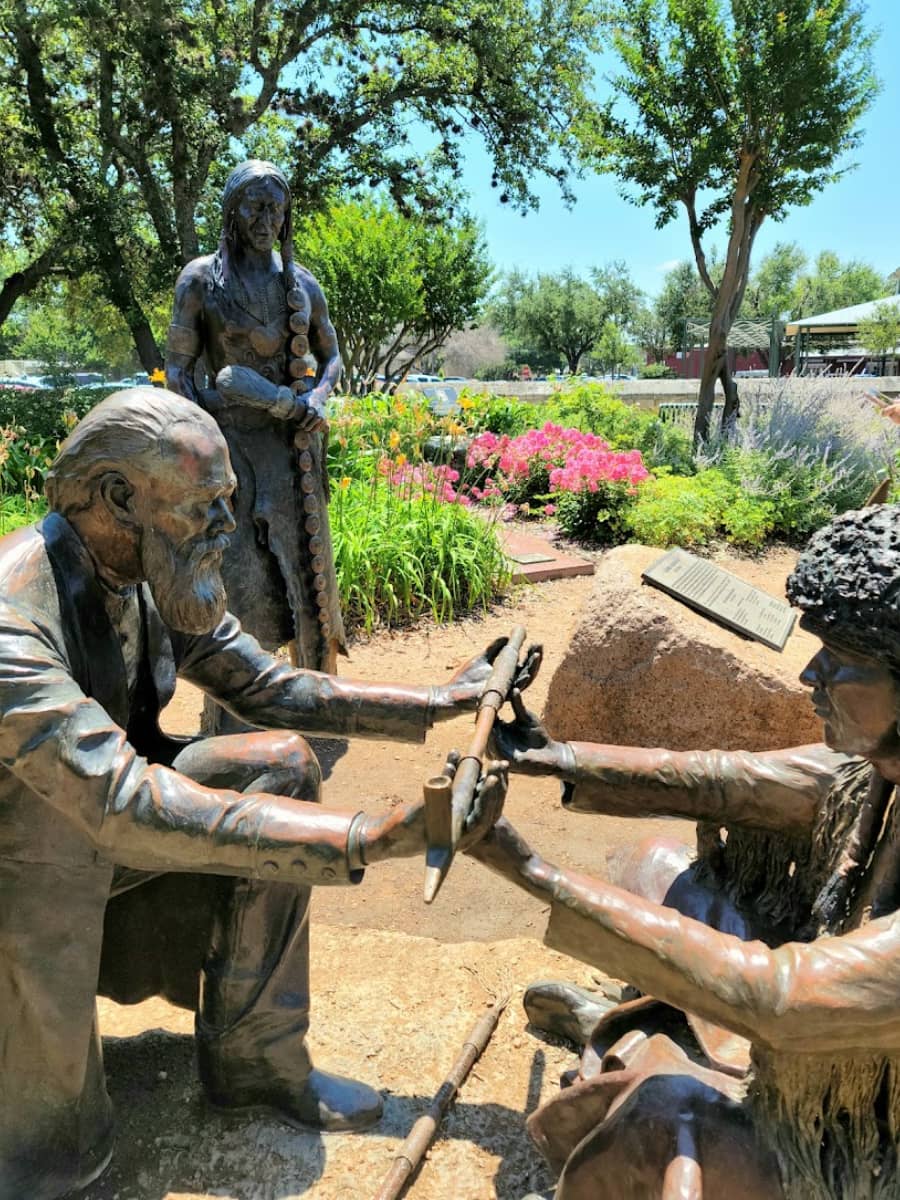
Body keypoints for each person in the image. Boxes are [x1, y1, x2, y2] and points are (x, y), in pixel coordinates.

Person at [0, 389, 519, 1200]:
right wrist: (364, 837)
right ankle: (46, 1155)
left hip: (95, 843)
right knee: (55, 848)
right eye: (205, 505)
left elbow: (269, 685)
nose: (226, 527)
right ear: (118, 499)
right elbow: (118, 800)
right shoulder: (10, 619)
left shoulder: (149, 567)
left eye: (227, 503)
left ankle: (253, 1058)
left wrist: (439, 702)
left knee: (278, 761)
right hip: (27, 878)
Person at [473, 504, 900, 1199]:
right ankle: (642, 1028)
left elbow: (783, 996)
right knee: (657, 866)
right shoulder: (878, 766)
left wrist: (527, 869)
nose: (809, 677)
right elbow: (734, 782)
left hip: (854, 1138)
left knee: (662, 1114)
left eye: (842, 662)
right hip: (813, 1030)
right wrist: (554, 756)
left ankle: (650, 1052)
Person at [165, 159, 343, 676]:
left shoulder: (301, 285)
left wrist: (318, 399)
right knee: (239, 578)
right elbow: (178, 371)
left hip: (293, 454)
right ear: (232, 211)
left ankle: (319, 696)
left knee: (310, 579)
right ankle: (237, 706)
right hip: (230, 452)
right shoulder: (201, 281)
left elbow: (331, 357)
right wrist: (204, 438)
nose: (266, 220)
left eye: (275, 209)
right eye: (255, 206)